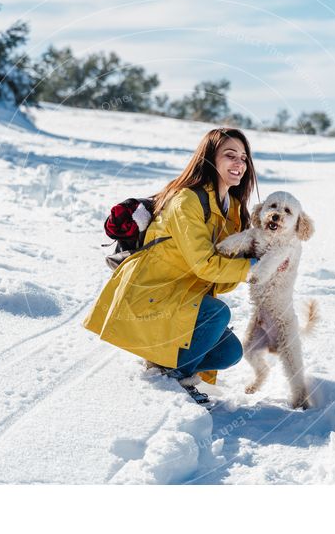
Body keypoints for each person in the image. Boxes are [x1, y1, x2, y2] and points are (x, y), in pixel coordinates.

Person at [82, 128, 259, 401]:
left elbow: (218, 281)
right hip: (150, 294)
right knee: (216, 314)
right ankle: (174, 379)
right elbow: (205, 265)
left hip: (178, 298)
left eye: (244, 158)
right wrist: (253, 268)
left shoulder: (232, 209)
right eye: (230, 155)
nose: (239, 164)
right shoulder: (187, 199)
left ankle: (164, 363)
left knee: (229, 352)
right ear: (210, 158)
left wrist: (249, 261)